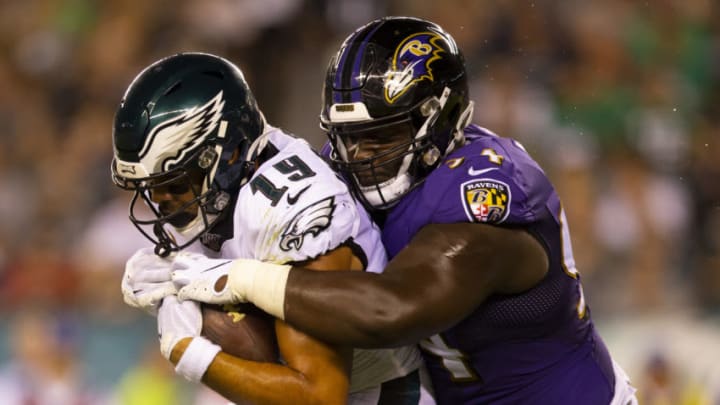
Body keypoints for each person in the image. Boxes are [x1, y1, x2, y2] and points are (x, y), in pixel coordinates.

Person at [169, 18, 639, 404]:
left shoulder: (485, 192)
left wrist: (243, 278)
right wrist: (182, 261)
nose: (359, 156)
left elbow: (393, 310)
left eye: (382, 136)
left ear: (441, 117)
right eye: (347, 137)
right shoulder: (351, 167)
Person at [113, 52, 433, 404]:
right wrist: (176, 285)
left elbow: (321, 395)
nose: (160, 202)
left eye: (175, 183)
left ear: (230, 154)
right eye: (151, 188)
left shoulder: (295, 207)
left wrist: (188, 352)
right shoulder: (227, 181)